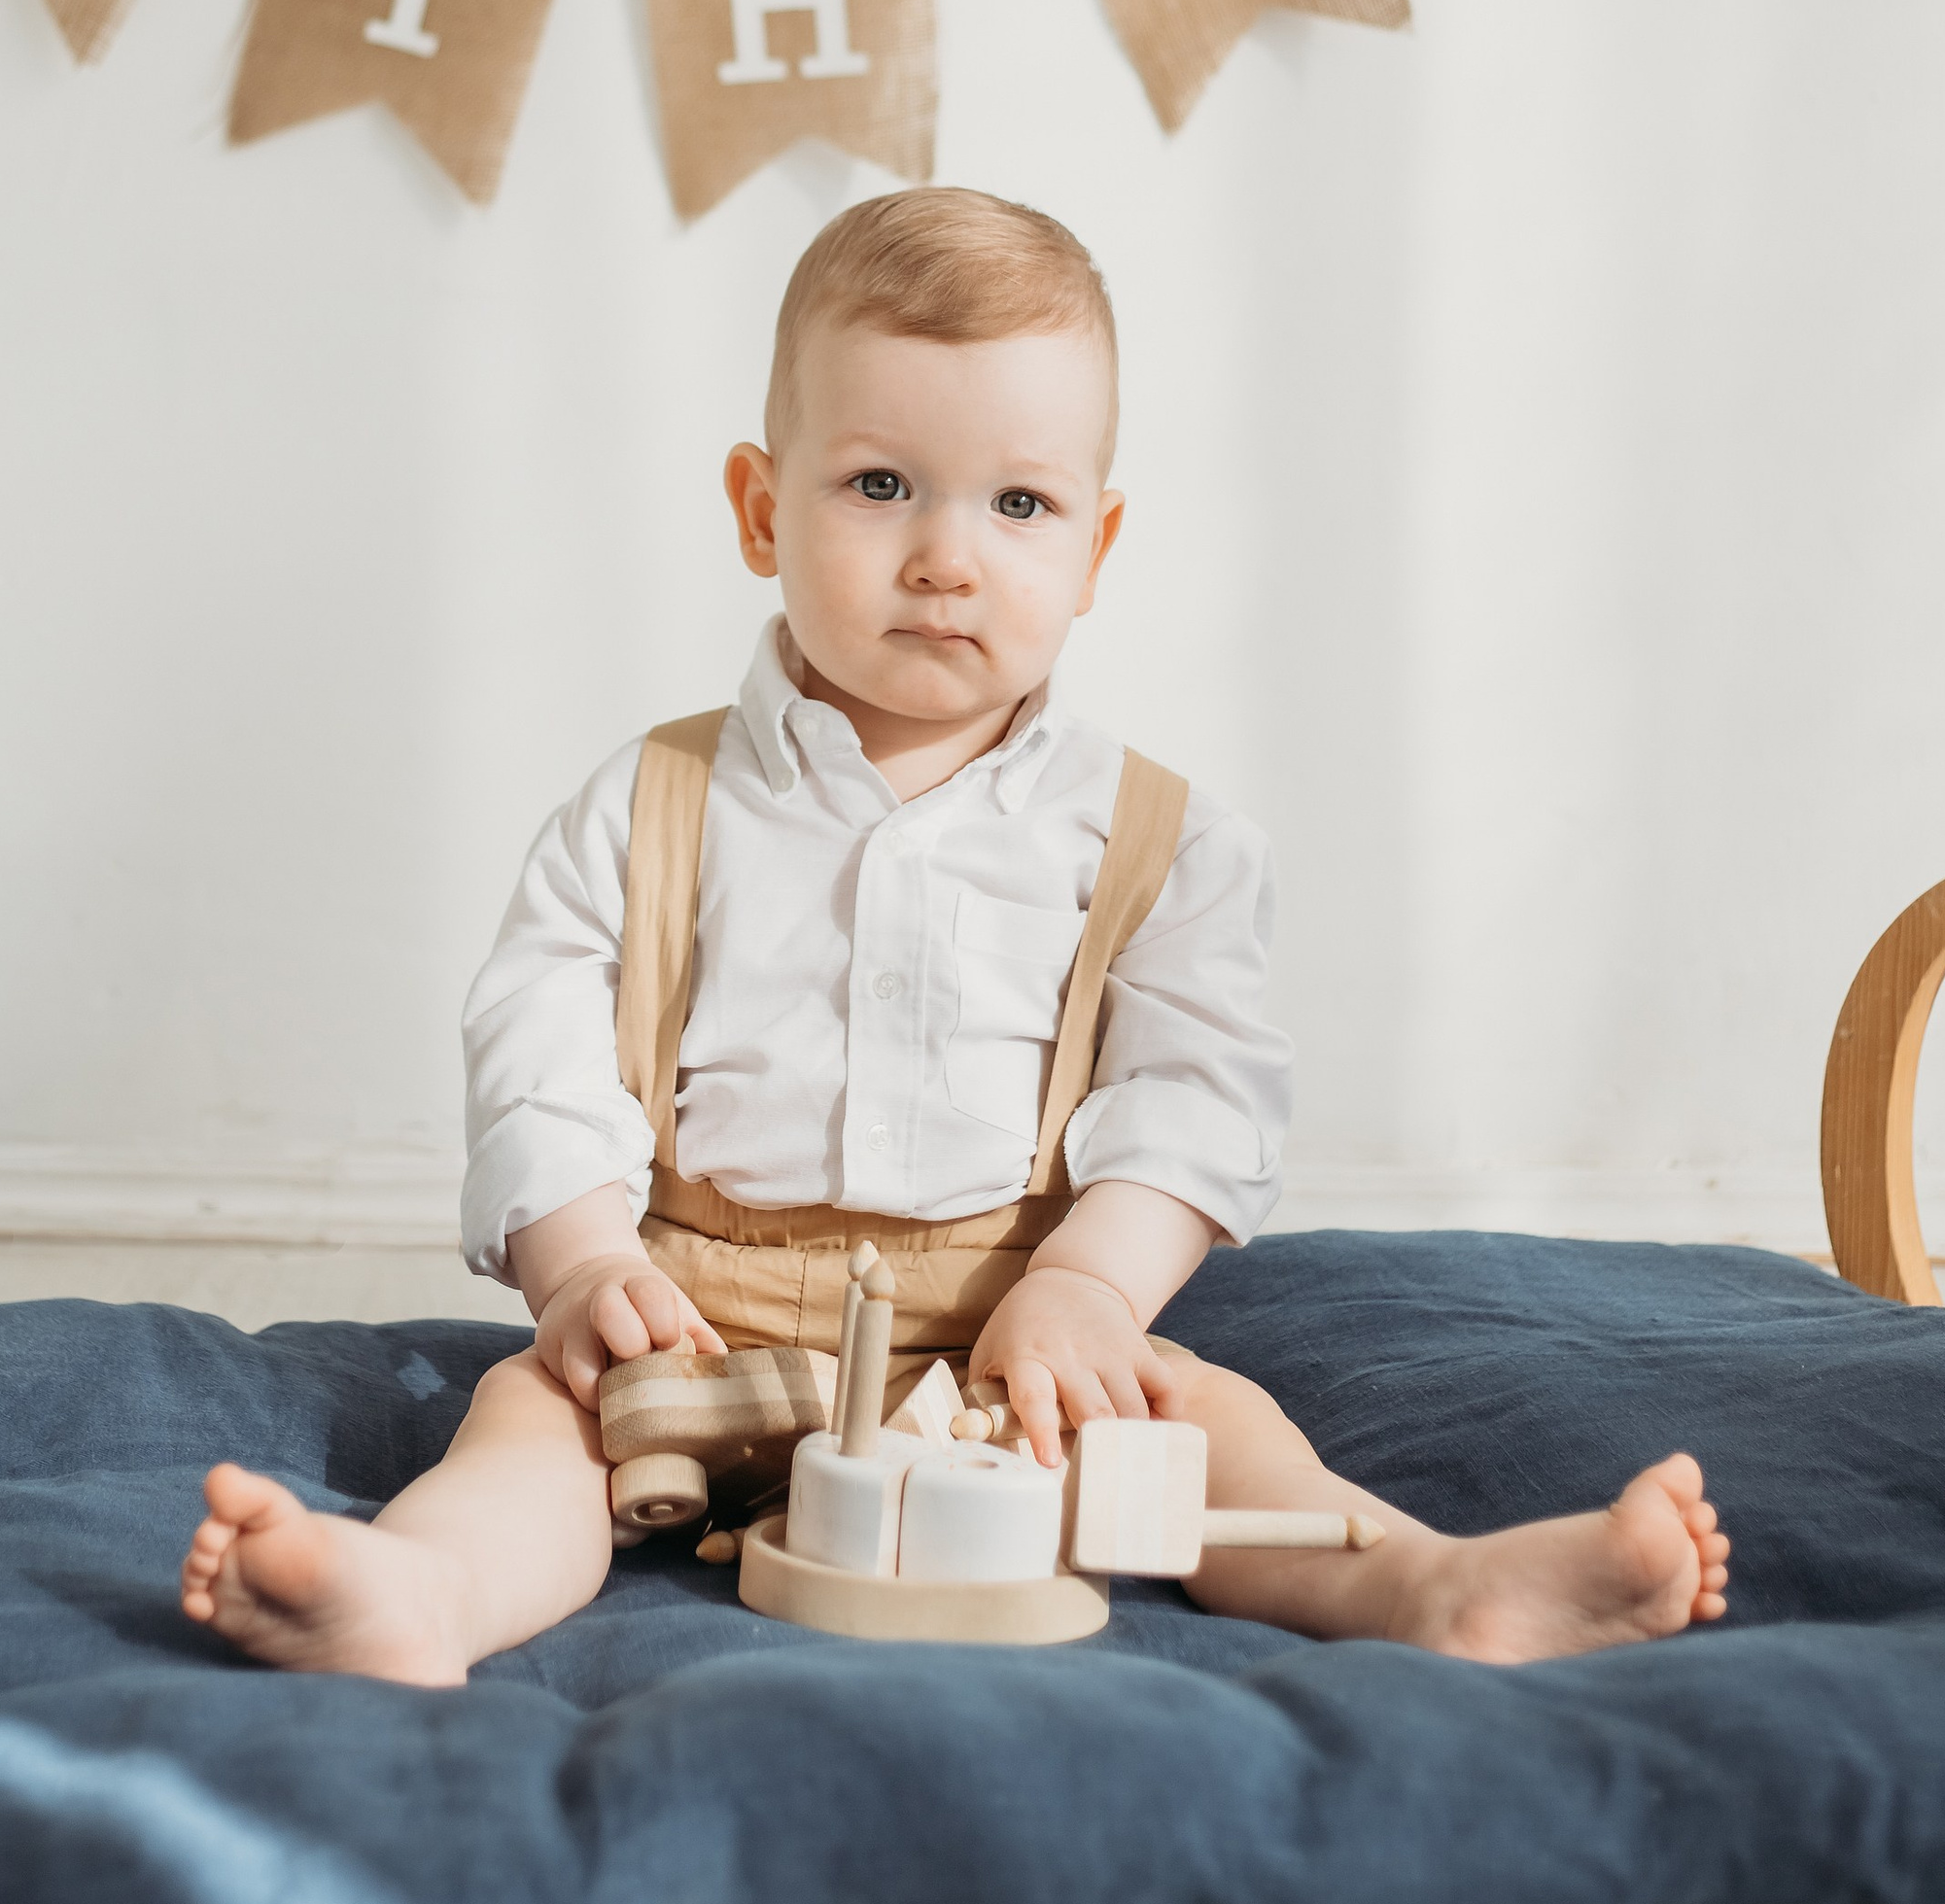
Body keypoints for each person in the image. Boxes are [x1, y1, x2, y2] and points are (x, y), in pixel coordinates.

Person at [182, 188, 1728, 1684]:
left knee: (1206, 1438)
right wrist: (584, 1265)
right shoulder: (652, 801)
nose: (946, 554)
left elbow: (1196, 1098)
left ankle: (1434, 1583)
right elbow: (537, 1048)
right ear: (758, 507)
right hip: (696, 1318)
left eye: (1020, 503)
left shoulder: (1157, 841)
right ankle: (422, 1593)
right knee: (536, 1423)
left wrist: (1096, 1291)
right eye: (878, 486)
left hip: (1011, 1335)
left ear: (1097, 547)